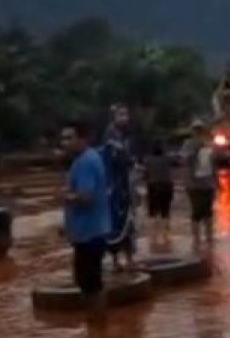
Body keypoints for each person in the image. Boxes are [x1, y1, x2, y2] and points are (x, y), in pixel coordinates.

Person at [61, 120, 112, 310]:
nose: (64, 142)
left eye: (69, 138)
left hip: (90, 234)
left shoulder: (85, 162)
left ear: (82, 139)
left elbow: (85, 197)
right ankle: (95, 330)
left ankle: (98, 329)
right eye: (63, 138)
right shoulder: (87, 158)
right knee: (88, 282)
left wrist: (64, 195)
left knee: (91, 285)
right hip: (89, 231)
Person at [101, 103, 137, 271]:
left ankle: (129, 259)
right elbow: (118, 159)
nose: (125, 118)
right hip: (115, 189)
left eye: (126, 114)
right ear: (114, 118)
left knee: (129, 223)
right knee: (116, 224)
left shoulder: (125, 136)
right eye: (121, 115)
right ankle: (116, 261)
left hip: (126, 186)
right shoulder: (111, 138)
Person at [182, 119, 217, 253]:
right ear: (192, 131)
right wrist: (194, 151)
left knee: (208, 212)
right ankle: (196, 240)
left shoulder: (209, 144)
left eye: (200, 130)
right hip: (194, 185)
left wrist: (217, 182)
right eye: (195, 130)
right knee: (196, 213)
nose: (198, 133)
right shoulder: (188, 145)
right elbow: (183, 159)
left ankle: (209, 238)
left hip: (209, 184)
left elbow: (214, 163)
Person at [143, 138, 174, 248]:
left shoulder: (148, 160)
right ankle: (166, 237)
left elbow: (145, 176)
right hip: (166, 186)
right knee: (165, 212)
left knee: (152, 213)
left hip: (153, 187)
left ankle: (153, 238)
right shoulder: (167, 159)